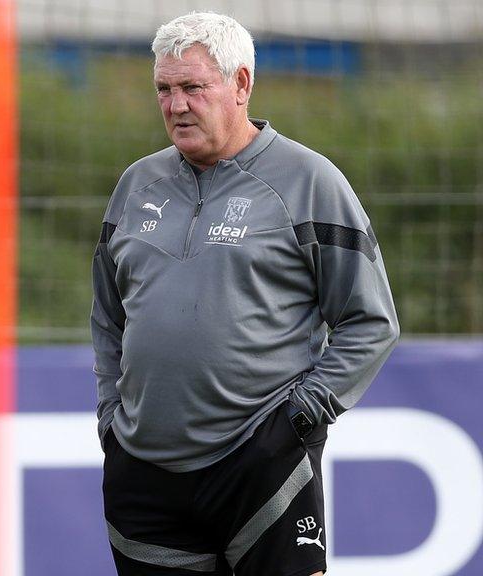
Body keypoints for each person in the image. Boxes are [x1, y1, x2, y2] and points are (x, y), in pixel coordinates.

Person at [91, 12, 399, 576]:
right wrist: (111, 413)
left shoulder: (310, 181)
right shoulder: (137, 185)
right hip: (144, 470)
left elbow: (370, 321)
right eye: (164, 89)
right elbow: (107, 317)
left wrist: (300, 419)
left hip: (262, 466)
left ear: (240, 85)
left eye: (192, 87)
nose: (176, 105)